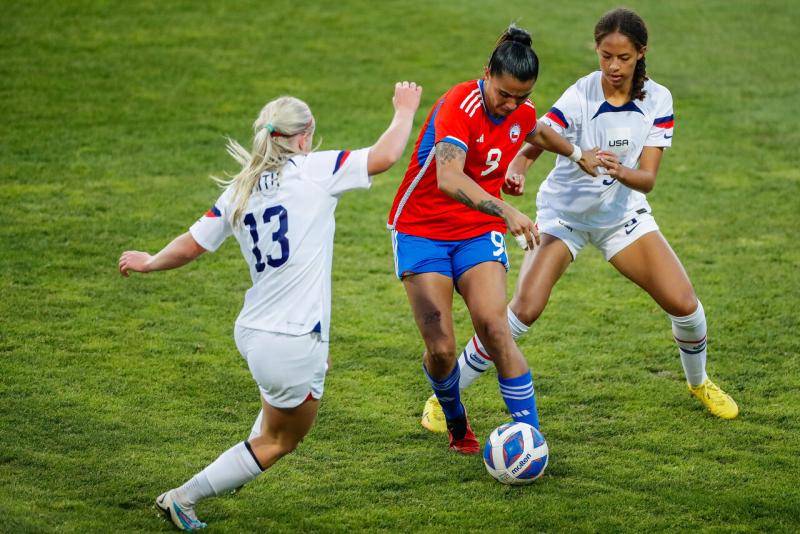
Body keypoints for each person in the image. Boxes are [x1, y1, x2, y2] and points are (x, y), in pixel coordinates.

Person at [118, 82, 422, 531]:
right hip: (290, 338)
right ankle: (185, 497)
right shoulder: (314, 169)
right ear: (305, 134)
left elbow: (192, 244)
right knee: (280, 441)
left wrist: (150, 262)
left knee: (282, 411)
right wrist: (404, 110)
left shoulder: (240, 188)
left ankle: (237, 465)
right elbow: (384, 156)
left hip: (257, 331)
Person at [422, 7, 738, 433]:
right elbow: (536, 133)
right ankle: (446, 395)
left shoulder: (658, 100)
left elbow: (646, 179)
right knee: (522, 312)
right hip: (563, 216)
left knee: (685, 305)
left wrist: (616, 169)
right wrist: (518, 166)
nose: (612, 66)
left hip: (620, 216)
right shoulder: (582, 93)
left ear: (641, 54)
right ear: (596, 50)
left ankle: (699, 384)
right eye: (605, 55)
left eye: (623, 57)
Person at [387, 25, 601, 454]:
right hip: (421, 231)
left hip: (476, 232)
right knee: (443, 349)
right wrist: (507, 210)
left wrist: (579, 155)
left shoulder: (519, 109)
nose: (511, 106)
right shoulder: (458, 105)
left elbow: (535, 130)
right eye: (504, 94)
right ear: (487, 73)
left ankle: (533, 439)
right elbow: (448, 177)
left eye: (522, 97)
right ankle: (454, 417)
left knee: (495, 328)